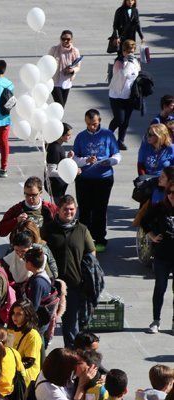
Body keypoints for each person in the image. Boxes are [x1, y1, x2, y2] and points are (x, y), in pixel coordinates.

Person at [72, 110, 120, 252]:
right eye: (88, 124)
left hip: (103, 179)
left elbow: (117, 154)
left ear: (99, 121)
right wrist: (86, 160)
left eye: (94, 124)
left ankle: (100, 239)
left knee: (100, 209)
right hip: (84, 179)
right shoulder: (81, 137)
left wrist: (109, 161)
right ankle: (83, 239)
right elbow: (74, 158)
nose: (91, 127)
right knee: (84, 210)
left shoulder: (108, 135)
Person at [142, 176, 174, 333]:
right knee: (160, 287)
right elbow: (144, 221)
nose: (173, 195)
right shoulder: (160, 207)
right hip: (162, 255)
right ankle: (156, 320)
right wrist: (152, 235)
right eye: (170, 192)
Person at [108, 39, 141, 150]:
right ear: (123, 51)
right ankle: (107, 136)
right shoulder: (119, 62)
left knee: (126, 121)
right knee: (119, 119)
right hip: (116, 95)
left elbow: (137, 72)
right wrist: (129, 63)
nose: (130, 53)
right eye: (127, 51)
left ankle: (120, 141)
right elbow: (122, 75)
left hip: (129, 95)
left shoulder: (135, 61)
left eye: (132, 51)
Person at [48, 30, 81, 106]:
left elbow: (78, 67)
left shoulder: (75, 51)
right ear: (60, 39)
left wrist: (72, 70)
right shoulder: (54, 49)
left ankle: (54, 117)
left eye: (68, 39)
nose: (65, 41)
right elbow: (48, 62)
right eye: (63, 39)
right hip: (55, 82)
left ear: (72, 40)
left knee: (61, 107)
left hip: (67, 82)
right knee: (60, 106)